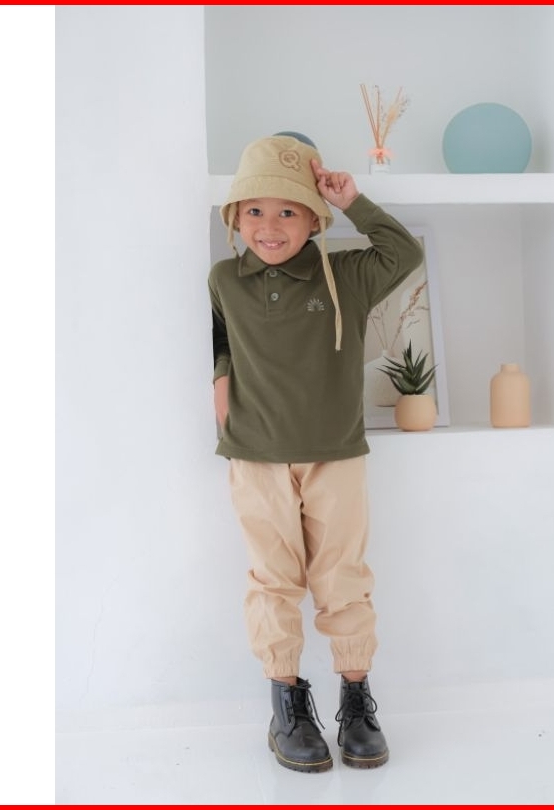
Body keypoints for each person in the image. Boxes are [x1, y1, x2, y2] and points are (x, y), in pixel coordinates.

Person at [208, 135, 423, 773]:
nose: (269, 226)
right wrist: (220, 383)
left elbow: (404, 252)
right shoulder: (225, 279)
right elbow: (219, 338)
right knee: (273, 580)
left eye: (288, 211)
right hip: (255, 453)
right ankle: (287, 708)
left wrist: (352, 200)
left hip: (336, 453)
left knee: (343, 578)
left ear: (313, 219)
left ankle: (355, 704)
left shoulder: (348, 274)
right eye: (254, 211)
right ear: (235, 217)